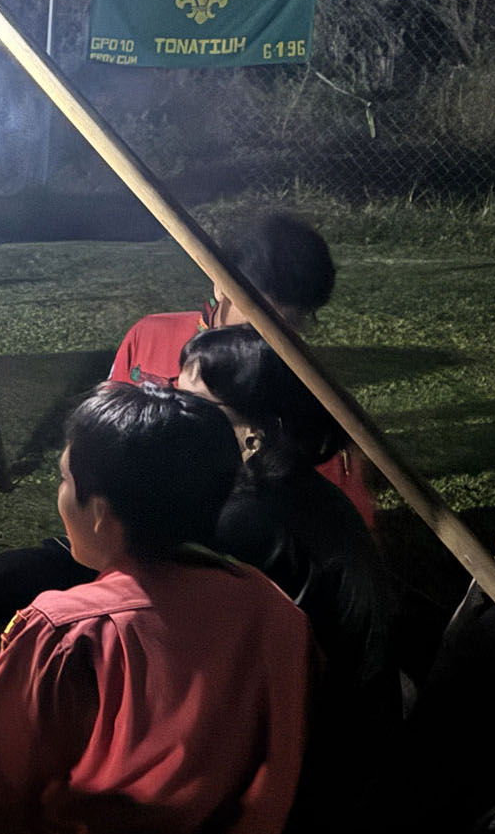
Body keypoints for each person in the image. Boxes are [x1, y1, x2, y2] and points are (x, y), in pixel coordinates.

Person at [0, 383, 312, 834]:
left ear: (102, 514)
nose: (61, 493)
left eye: (66, 479)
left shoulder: (71, 632)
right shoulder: (275, 609)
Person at [178, 324, 399, 828]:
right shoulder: (291, 492)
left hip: (318, 769)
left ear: (252, 434)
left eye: (192, 407)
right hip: (350, 735)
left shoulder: (246, 521)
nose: (172, 417)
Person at [107, 211, 377, 527]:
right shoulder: (150, 338)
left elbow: (335, 518)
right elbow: (105, 439)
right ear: (221, 286)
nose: (266, 342)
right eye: (258, 321)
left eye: (289, 326)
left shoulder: (303, 396)